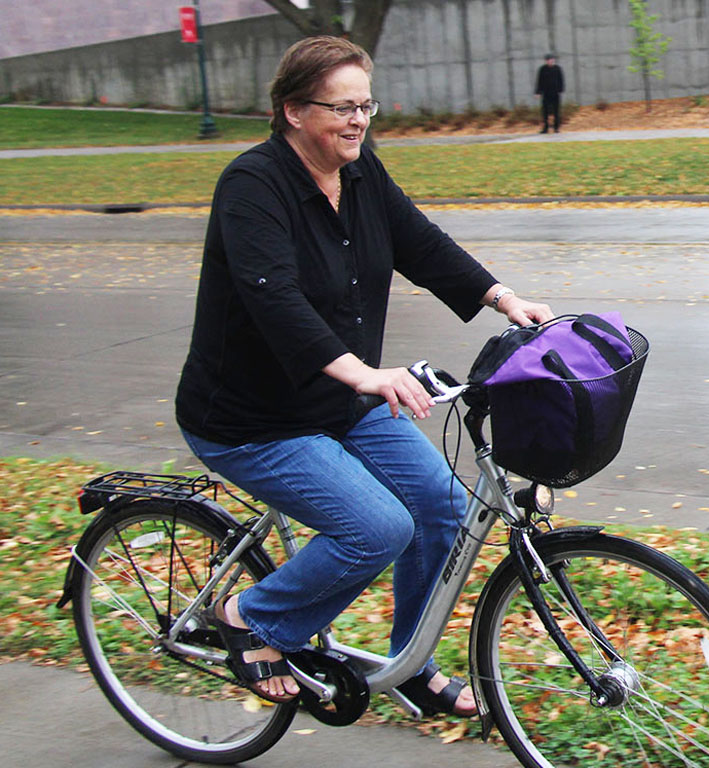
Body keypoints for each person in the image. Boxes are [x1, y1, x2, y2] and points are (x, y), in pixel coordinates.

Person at [175, 35, 553, 714]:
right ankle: (249, 619)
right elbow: (276, 300)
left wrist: (503, 297)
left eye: (365, 106)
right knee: (378, 528)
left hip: (339, 402)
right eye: (341, 107)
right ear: (293, 110)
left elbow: (420, 242)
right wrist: (366, 375)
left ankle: (410, 659)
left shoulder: (360, 170)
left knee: (441, 508)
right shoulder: (252, 186)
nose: (358, 121)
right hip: (250, 419)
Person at [535, 53, 565, 133]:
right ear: (546, 61)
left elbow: (561, 80)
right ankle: (545, 128)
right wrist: (538, 92)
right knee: (545, 111)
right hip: (546, 93)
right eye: (549, 60)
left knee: (556, 111)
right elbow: (539, 81)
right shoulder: (542, 69)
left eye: (552, 59)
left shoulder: (557, 69)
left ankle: (556, 128)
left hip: (555, 93)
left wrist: (560, 90)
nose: (550, 61)